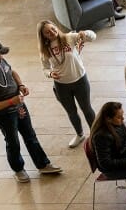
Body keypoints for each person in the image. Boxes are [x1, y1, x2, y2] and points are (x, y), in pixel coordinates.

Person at [0, 41, 63, 183]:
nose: (2, 56)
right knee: (13, 142)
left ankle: (43, 164)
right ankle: (18, 170)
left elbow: (12, 71)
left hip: (19, 106)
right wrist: (11, 102)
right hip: (4, 115)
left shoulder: (0, 62)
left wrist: (21, 85)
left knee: (30, 135)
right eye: (0, 54)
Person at [37, 20, 97, 148]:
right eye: (47, 32)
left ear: (56, 27)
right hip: (61, 85)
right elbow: (45, 68)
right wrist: (50, 74)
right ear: (43, 36)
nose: (52, 33)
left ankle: (97, 135)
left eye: (53, 29)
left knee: (86, 108)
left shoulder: (69, 38)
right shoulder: (45, 50)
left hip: (80, 80)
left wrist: (85, 33)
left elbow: (93, 36)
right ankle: (80, 134)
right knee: (71, 111)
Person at [89, 101, 126, 179]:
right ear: (108, 119)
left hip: (123, 156)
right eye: (119, 117)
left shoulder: (118, 124)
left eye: (122, 115)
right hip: (112, 170)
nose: (123, 118)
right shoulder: (101, 136)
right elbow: (106, 163)